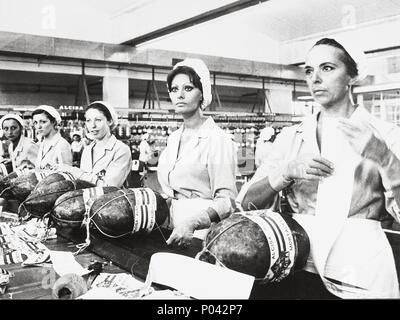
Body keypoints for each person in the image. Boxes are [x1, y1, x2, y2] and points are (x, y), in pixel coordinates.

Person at [237, 38, 400, 299]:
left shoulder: (386, 135)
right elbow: (245, 203)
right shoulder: (291, 137)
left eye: (327, 68)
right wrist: (284, 174)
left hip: (358, 274)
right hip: (295, 265)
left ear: (352, 75)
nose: (315, 79)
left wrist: (385, 159)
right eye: (309, 71)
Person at [157, 58, 238, 247]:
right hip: (171, 228)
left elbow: (227, 201)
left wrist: (194, 222)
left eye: (188, 88)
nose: (180, 95)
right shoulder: (173, 138)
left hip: (201, 233)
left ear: (202, 94)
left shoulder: (217, 139)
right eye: (174, 89)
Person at [55, 101, 132, 188]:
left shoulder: (121, 150)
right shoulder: (87, 149)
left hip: (110, 201)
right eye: (88, 120)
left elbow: (109, 187)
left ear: (110, 121)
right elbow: (82, 184)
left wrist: (75, 171)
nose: (92, 125)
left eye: (98, 120)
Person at [32, 105, 73, 169]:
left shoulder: (62, 145)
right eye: (35, 122)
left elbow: (67, 174)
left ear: (54, 122)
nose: (38, 126)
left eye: (43, 122)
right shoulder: (42, 143)